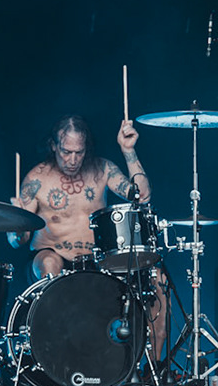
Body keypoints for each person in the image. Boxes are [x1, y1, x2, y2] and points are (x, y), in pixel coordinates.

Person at [10, 115, 168, 368]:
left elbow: (142, 196)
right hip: (52, 257)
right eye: (66, 152)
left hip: (97, 262)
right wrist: (16, 223)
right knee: (50, 263)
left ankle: (153, 369)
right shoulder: (36, 179)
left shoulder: (102, 169)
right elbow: (17, 241)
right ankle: (59, 360)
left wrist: (128, 151)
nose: (72, 160)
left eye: (79, 152)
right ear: (53, 146)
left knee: (157, 279)